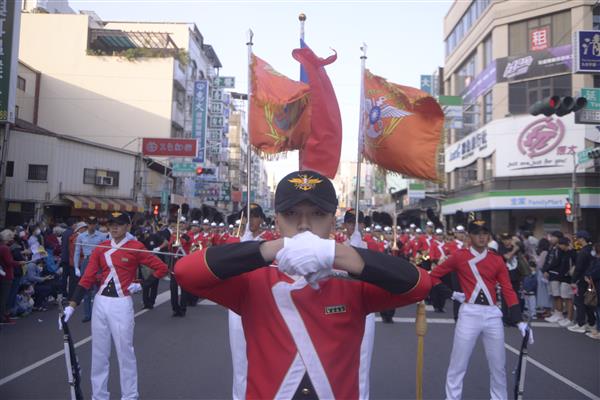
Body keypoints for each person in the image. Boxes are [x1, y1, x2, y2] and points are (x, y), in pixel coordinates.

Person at [175, 170, 431, 399]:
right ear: (276, 221)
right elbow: (186, 272)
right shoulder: (254, 279)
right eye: (290, 214)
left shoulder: (351, 281)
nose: (304, 225)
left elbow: (420, 284)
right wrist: (275, 247)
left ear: (333, 221)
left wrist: (335, 253)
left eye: (318, 214)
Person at [61, 212, 168, 400]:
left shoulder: (136, 247)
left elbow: (161, 268)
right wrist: (72, 305)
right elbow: (87, 278)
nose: (114, 227)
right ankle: (99, 396)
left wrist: (141, 285)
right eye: (111, 224)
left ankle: (130, 396)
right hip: (100, 303)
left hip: (121, 304)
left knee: (125, 353)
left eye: (119, 224)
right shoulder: (101, 248)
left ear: (127, 227)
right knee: (99, 354)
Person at [429, 220, 532, 400]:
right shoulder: (459, 256)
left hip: (492, 314)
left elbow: (508, 289)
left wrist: (519, 320)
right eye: (477, 233)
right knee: (458, 364)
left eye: (485, 233)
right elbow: (434, 276)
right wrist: (452, 294)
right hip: (469, 313)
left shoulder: (496, 259)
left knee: (498, 365)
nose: (482, 236)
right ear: (470, 236)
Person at [74, 216, 109, 322]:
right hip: (86, 261)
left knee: (99, 289)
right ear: (86, 224)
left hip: (98, 263)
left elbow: (107, 250)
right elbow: (77, 251)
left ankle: (98, 314)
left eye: (93, 223)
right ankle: (87, 314)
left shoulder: (102, 236)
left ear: (96, 224)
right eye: (89, 223)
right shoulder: (81, 236)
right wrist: (76, 267)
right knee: (86, 288)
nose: (91, 226)